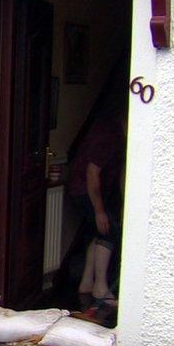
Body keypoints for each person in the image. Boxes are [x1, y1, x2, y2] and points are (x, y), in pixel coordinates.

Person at [66, 114, 126, 312]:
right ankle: (100, 288)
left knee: (97, 232)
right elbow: (92, 173)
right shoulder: (109, 136)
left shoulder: (118, 136)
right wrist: (100, 211)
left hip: (86, 189)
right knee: (108, 232)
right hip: (84, 190)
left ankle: (87, 283)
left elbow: (119, 173)